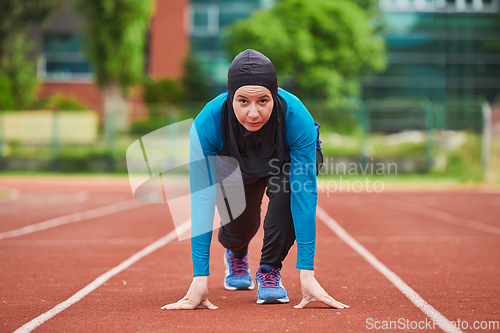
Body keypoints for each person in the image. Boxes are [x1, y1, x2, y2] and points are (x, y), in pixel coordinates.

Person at [162, 49, 349, 310]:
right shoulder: (207, 124)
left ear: (274, 96)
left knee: (290, 194)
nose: (253, 113)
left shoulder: (297, 118)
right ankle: (236, 252)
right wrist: (199, 279)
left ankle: (269, 270)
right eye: (243, 102)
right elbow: (201, 200)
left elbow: (305, 196)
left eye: (263, 101)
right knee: (241, 224)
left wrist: (307, 273)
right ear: (230, 97)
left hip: (283, 162)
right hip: (235, 164)